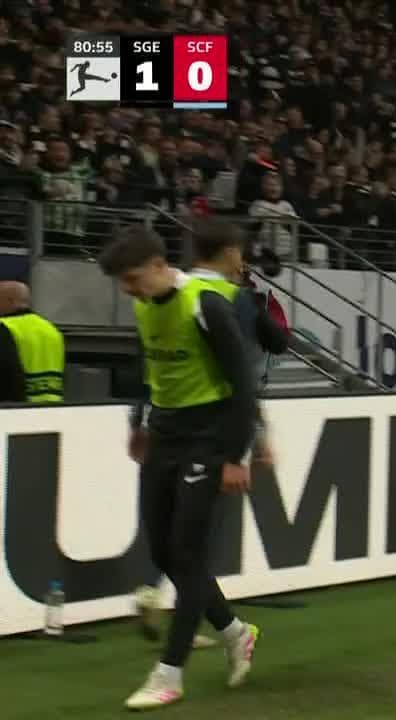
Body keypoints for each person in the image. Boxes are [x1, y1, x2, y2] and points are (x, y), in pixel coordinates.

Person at [97, 226, 261, 711]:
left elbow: (244, 384)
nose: (127, 290)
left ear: (158, 264)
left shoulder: (205, 305)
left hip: (208, 438)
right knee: (164, 552)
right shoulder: (144, 306)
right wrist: (139, 422)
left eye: (132, 279)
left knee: (187, 556)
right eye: (122, 282)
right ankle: (234, 631)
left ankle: (168, 674)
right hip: (164, 435)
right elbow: (151, 370)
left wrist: (236, 455)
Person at [134, 219, 289, 646]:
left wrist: (139, 419)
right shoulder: (235, 297)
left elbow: (152, 366)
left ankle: (159, 590)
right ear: (232, 253)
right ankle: (201, 637)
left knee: (173, 532)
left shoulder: (174, 294)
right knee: (195, 540)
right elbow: (276, 344)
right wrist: (253, 442)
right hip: (225, 424)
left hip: (170, 420)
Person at [0, 281, 64, 403]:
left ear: (10, 300)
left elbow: (6, 374)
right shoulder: (50, 329)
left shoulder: (4, 327)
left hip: (17, 407)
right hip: (53, 406)